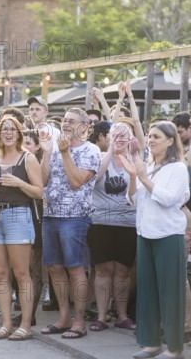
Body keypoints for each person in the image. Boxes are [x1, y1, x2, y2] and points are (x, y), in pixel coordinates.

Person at [121, 121, 189, 359]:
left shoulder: (178, 169)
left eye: (156, 137)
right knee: (147, 292)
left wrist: (144, 178)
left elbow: (169, 200)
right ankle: (150, 343)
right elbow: (132, 200)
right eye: (149, 136)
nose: (150, 140)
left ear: (170, 141)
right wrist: (133, 177)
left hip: (168, 235)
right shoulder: (147, 167)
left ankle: (174, 348)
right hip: (145, 233)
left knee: (170, 293)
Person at [39, 108, 101, 340]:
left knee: (75, 267)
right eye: (64, 120)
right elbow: (43, 180)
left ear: (84, 126)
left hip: (75, 217)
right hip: (51, 214)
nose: (65, 124)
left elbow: (76, 182)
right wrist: (47, 154)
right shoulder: (54, 148)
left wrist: (65, 153)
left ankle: (79, 321)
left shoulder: (91, 150)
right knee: (54, 267)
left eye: (71, 121)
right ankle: (64, 317)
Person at [0, 116, 43, 341]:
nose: (8, 133)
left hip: (19, 214)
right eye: (4, 130)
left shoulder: (27, 158)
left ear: (19, 133)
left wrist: (19, 183)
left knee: (21, 273)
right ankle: (6, 324)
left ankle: (25, 325)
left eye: (12, 129)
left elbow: (39, 192)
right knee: (0, 273)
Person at [88, 119, 139, 333]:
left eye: (123, 135)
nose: (118, 139)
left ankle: (122, 315)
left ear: (130, 139)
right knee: (103, 270)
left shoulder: (136, 160)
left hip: (128, 223)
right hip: (101, 222)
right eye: (114, 135)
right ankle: (101, 315)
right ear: (108, 138)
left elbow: (138, 191)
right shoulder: (100, 157)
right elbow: (95, 178)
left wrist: (132, 162)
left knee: (123, 271)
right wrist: (110, 151)